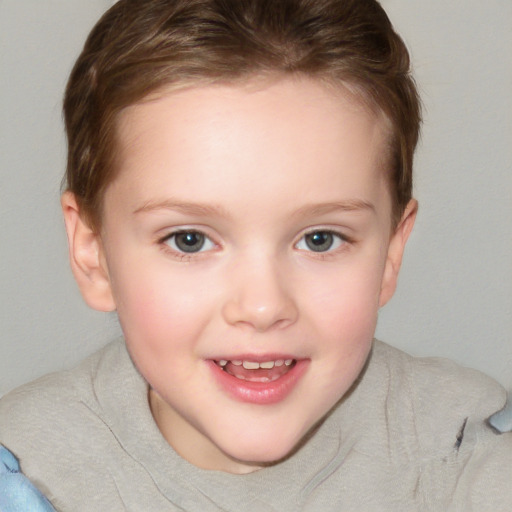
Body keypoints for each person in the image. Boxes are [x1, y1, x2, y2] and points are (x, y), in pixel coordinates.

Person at [0, 0, 510, 509]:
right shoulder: (25, 473)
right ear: (93, 253)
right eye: (189, 240)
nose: (263, 307)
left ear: (391, 253)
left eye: (320, 239)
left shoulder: (467, 454)